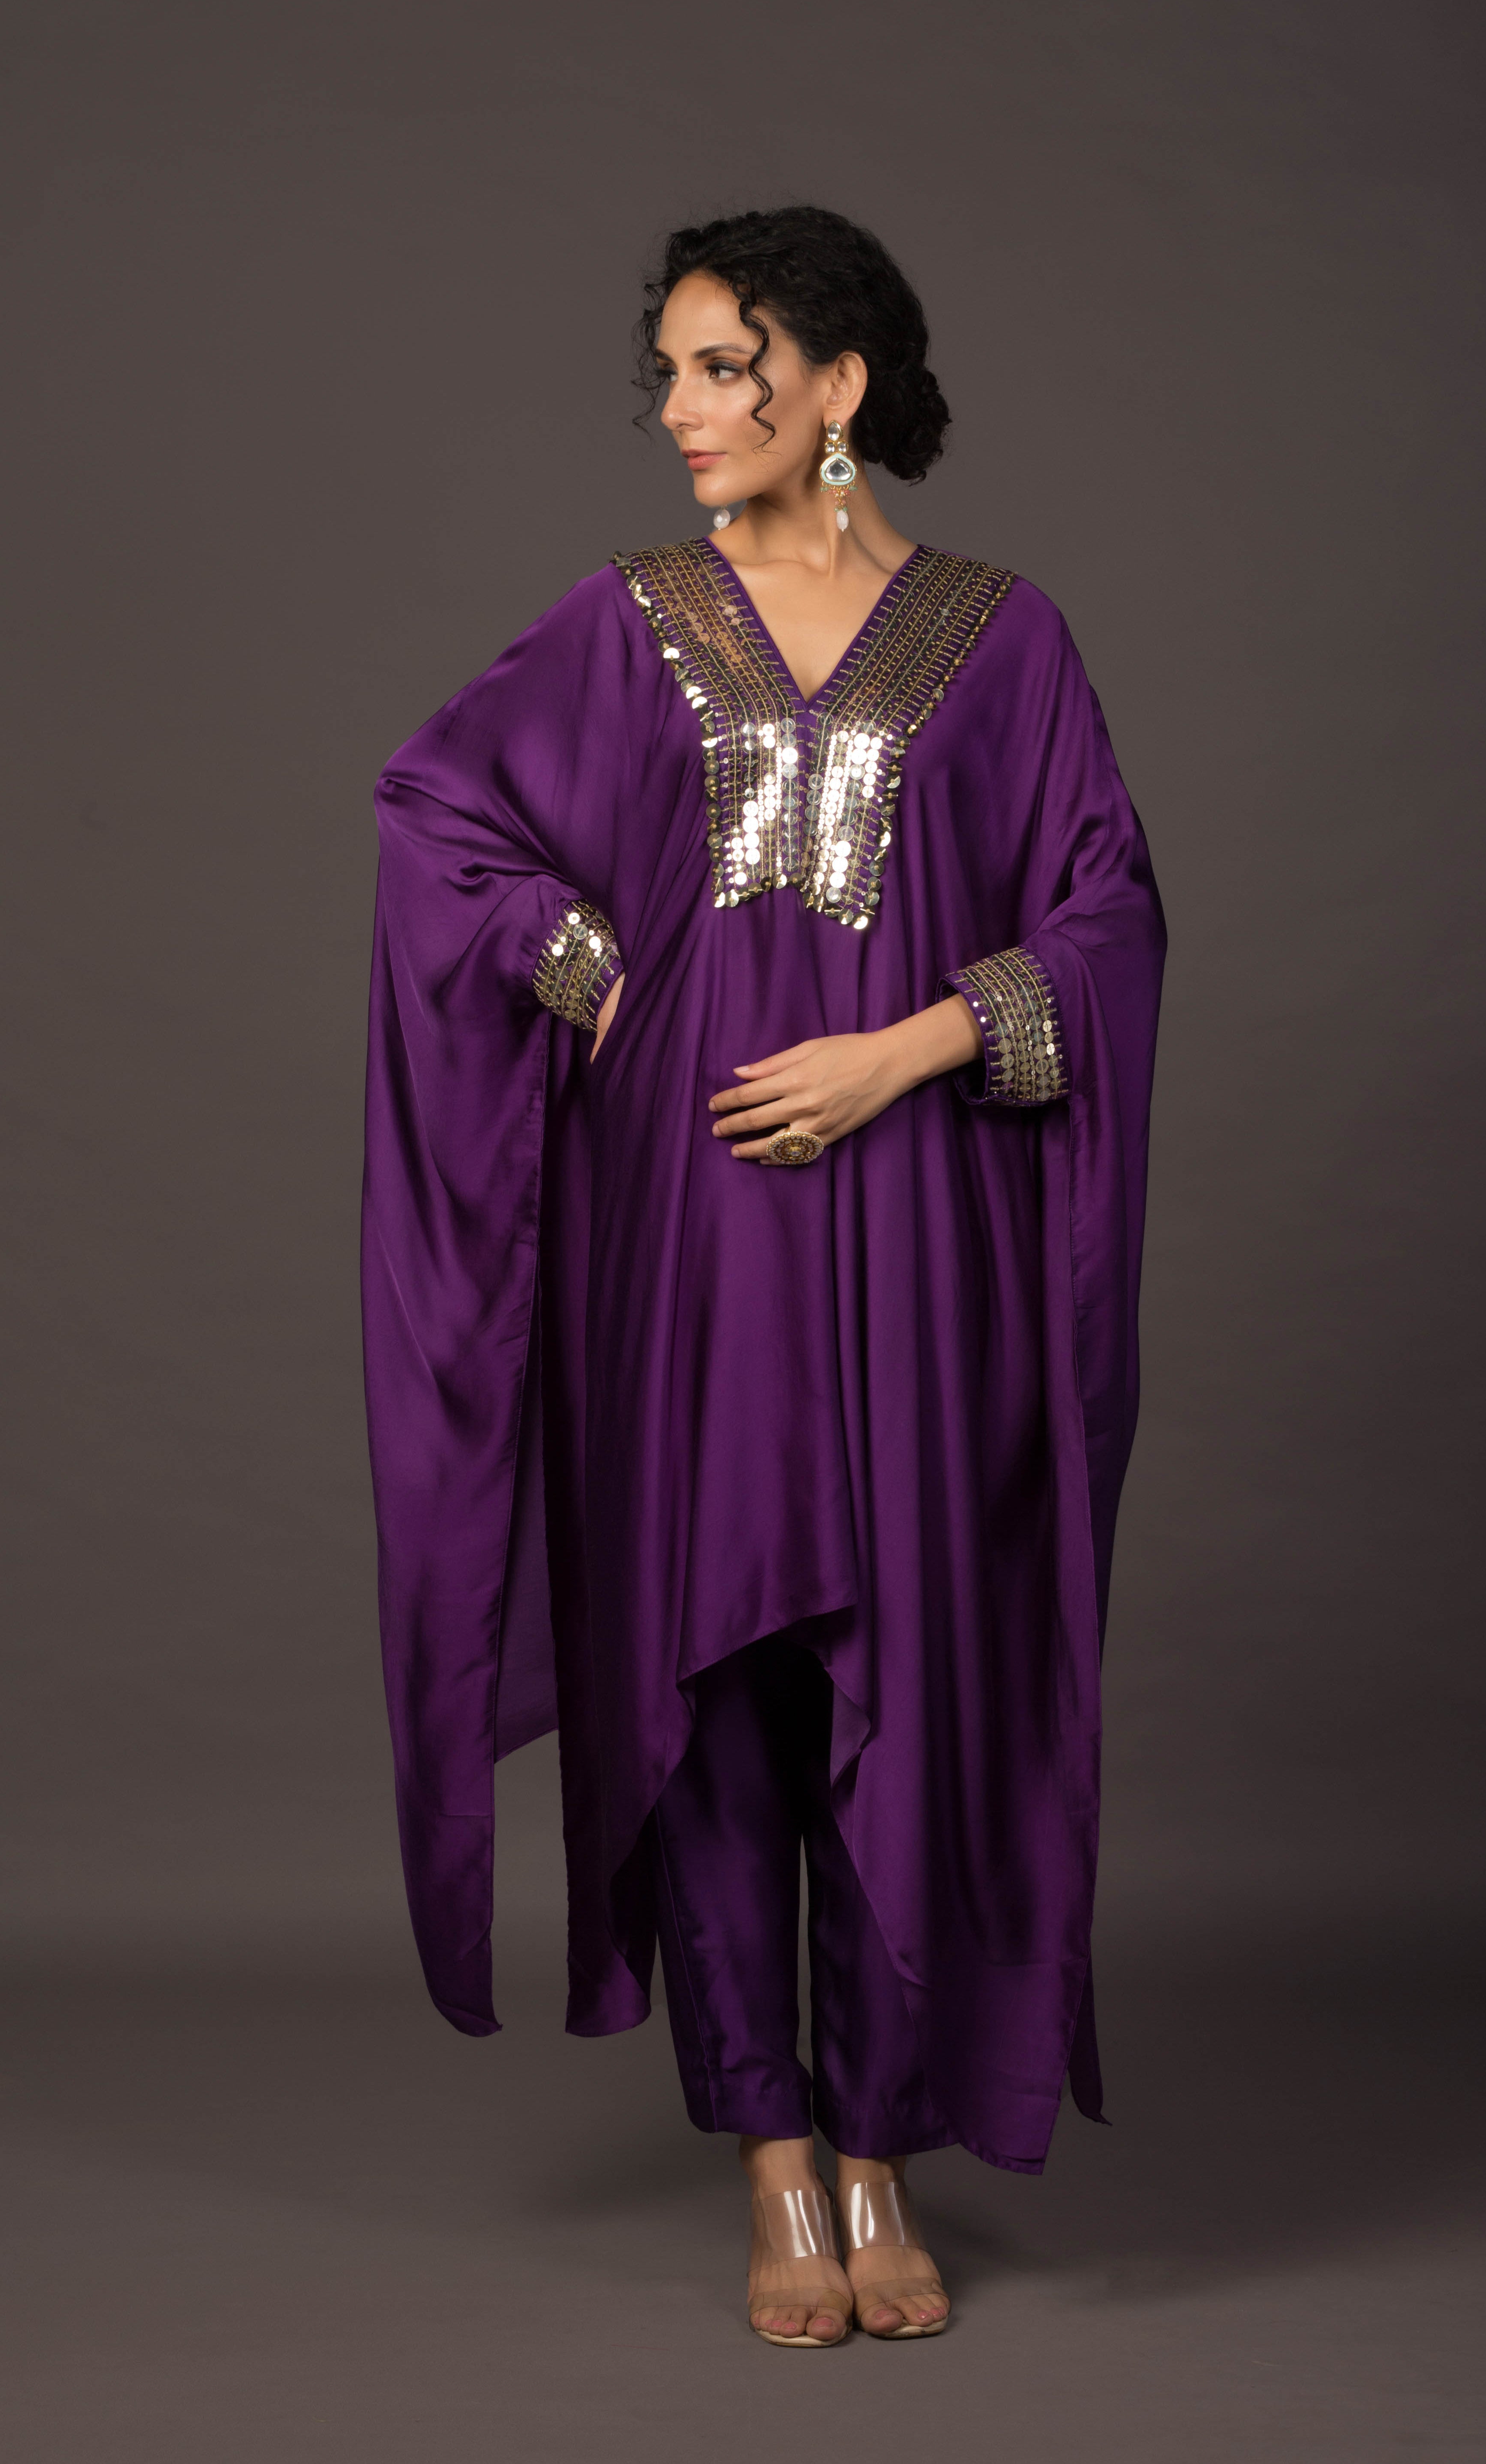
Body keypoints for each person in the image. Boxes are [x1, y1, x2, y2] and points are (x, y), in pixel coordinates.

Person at [362, 204, 1166, 2347]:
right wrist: (584, 962)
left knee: (904, 1666)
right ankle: (777, 2154)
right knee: (713, 1683)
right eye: (674, 372)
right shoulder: (631, 623)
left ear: (839, 387)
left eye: (727, 368)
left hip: (921, 1242)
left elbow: (1108, 921)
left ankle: (882, 2133)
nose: (684, 411)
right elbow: (438, 812)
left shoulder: (1006, 641)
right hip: (690, 1238)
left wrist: (907, 1048)